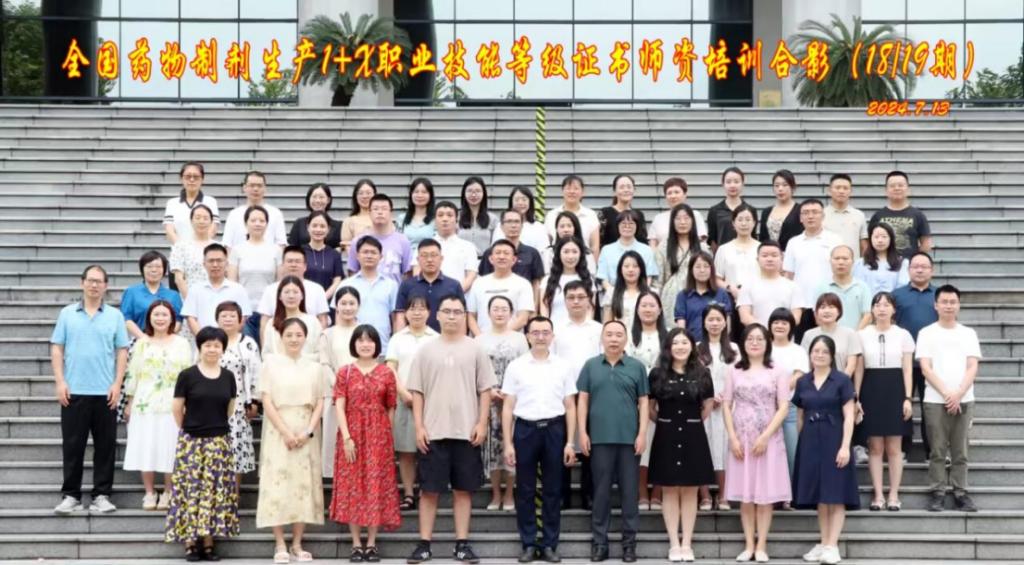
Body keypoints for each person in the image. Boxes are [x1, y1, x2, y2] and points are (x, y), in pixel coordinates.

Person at [406, 295, 497, 564]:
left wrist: (481, 423)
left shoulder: (475, 349)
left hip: (466, 432)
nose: (452, 316)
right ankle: (424, 544)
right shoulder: (425, 350)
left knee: (463, 490)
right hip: (433, 432)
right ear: (437, 315)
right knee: (429, 490)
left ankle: (462, 544)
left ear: (464, 315)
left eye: (457, 312)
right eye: (447, 311)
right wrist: (419, 427)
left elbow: (485, 390)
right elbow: (417, 392)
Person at [51, 266, 129, 516]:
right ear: (82, 283)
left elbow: (122, 351)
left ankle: (101, 495)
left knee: (105, 447)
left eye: (99, 281)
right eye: (90, 281)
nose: (94, 285)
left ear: (106, 286)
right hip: (73, 392)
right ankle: (71, 495)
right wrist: (60, 382)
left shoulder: (115, 316)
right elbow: (57, 348)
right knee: (72, 446)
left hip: (105, 393)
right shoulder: (67, 314)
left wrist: (117, 384)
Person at [501, 316, 578, 563]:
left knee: (553, 489)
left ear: (552, 336)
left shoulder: (563, 366)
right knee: (525, 489)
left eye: (546, 332)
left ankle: (549, 545)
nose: (541, 337)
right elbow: (508, 406)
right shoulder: (516, 366)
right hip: (525, 429)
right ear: (527, 336)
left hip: (555, 429)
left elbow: (570, 405)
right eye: (535, 332)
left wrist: (570, 442)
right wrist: (508, 443)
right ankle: (528, 543)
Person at [577, 320, 650, 563]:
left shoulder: (636, 367)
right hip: (599, 439)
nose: (614, 339)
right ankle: (600, 543)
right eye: (609, 334)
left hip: (629, 441)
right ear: (602, 338)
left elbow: (644, 402)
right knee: (601, 493)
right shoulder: (590, 366)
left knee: (630, 494)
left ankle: (629, 544)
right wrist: (582, 433)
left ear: (626, 339)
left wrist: (642, 433)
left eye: (619, 335)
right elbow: (583, 400)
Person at [165, 327, 239, 561]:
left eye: (217, 345)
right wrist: (189, 429)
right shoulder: (187, 375)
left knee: (214, 492)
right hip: (192, 442)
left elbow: (230, 408)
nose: (212, 349)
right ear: (199, 347)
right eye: (207, 345)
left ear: (223, 349)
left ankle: (208, 542)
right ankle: (190, 542)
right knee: (190, 491)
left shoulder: (228, 376)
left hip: (219, 441)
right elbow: (177, 408)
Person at [331, 324, 401, 562]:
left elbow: (391, 406)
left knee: (375, 486)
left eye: (369, 340)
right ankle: (355, 543)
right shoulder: (345, 372)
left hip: (378, 437)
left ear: (376, 344)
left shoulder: (386, 373)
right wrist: (346, 437)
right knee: (353, 486)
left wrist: (386, 435)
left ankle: (371, 543)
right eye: (360, 340)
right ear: (354, 344)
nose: (365, 344)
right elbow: (339, 405)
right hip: (351, 434)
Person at [257, 318, 325, 563]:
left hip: (306, 429)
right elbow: (266, 400)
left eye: (298, 335)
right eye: (289, 335)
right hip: (278, 430)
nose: (294, 339)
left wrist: (308, 431)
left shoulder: (315, 367)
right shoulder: (270, 364)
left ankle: (297, 543)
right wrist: (285, 432)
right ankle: (279, 543)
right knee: (277, 484)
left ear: (306, 337)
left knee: (302, 486)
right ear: (281, 337)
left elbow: (320, 401)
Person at [722, 324, 791, 563]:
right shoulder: (733, 370)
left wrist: (765, 436)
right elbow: (726, 404)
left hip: (768, 440)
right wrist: (732, 437)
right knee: (746, 495)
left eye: (759, 339)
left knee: (764, 494)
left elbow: (784, 406)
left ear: (767, 342)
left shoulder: (778, 370)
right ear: (743, 343)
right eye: (750, 339)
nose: (754, 343)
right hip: (741, 440)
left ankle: (762, 545)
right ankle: (749, 545)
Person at [648, 328, 716, 563]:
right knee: (668, 489)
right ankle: (674, 544)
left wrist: (690, 421)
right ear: (668, 347)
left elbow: (707, 406)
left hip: (693, 434)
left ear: (691, 346)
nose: (680, 347)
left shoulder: (703, 373)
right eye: (675, 343)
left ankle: (686, 543)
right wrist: (665, 422)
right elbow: (650, 408)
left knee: (690, 489)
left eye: (684, 342)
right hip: (666, 434)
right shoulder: (657, 374)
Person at [791, 335, 859, 565]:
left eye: (824, 352)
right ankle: (823, 542)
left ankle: (832, 545)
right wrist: (803, 443)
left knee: (836, 494)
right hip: (810, 441)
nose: (819, 355)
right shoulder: (803, 381)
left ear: (832, 356)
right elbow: (800, 416)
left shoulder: (842, 380)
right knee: (820, 495)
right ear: (810, 354)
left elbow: (849, 416)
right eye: (815, 351)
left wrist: (845, 446)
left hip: (835, 439)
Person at [918, 284, 982, 513]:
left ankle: (960, 492)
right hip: (935, 399)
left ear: (959, 305)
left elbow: (972, 366)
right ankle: (937, 492)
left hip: (964, 398)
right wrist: (947, 394)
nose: (948, 306)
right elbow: (926, 368)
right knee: (937, 449)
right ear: (935, 305)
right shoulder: (926, 333)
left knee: (960, 450)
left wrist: (959, 393)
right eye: (944, 302)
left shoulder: (968, 333)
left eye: (953, 302)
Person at [122, 301, 191, 511]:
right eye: (156, 315)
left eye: (164, 315)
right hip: (145, 403)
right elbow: (133, 373)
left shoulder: (182, 343)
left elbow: (188, 374)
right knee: (146, 446)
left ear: (172, 318)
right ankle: (150, 492)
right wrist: (129, 401)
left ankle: (169, 491)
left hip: (173, 403)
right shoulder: (141, 343)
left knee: (170, 447)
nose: (160, 318)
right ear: (149, 318)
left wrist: (187, 402)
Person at [855, 292, 914, 511]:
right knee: (875, 446)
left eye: (886, 305)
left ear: (893, 309)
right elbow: (859, 369)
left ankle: (894, 494)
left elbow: (907, 369)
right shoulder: (862, 335)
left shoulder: (903, 335)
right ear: (872, 309)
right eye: (877, 304)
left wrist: (908, 398)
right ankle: (878, 494)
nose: (881, 308)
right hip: (871, 388)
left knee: (894, 447)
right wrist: (856, 397)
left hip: (895, 389)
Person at [551, 280, 602, 510]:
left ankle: (588, 494)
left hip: (592, 394)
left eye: (581, 297)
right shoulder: (556, 329)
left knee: (590, 445)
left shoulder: (598, 329)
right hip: (563, 395)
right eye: (571, 298)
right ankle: (562, 495)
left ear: (589, 299)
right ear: (565, 301)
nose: (576, 302)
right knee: (562, 444)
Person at [385, 295, 440, 511]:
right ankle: (408, 493)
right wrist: (404, 393)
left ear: (429, 312)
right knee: (406, 450)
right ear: (405, 313)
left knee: (428, 449)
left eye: (421, 308)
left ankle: (427, 491)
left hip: (430, 402)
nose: (417, 312)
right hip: (404, 399)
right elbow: (391, 368)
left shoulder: (436, 338)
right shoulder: (398, 338)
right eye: (412, 308)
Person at [477, 296, 530, 511]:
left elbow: (526, 368)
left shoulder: (520, 339)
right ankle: (496, 493)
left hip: (514, 400)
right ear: (488, 312)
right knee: (492, 449)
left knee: (512, 447)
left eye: (504, 309)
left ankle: (509, 493)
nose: (500, 313)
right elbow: (476, 371)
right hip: (488, 401)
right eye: (495, 309)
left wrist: (511, 392)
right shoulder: (479, 340)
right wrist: (489, 390)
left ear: (511, 313)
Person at [893, 252, 939, 460]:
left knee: (932, 407)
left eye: (924, 266)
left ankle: (932, 450)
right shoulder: (897, 295)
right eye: (915, 266)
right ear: (909, 269)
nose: (919, 270)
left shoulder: (939, 295)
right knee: (902, 405)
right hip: (903, 362)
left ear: (932, 270)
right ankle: (903, 449)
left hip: (932, 362)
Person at [626, 291, 668, 511]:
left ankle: (658, 492)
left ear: (660, 310)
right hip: (635, 398)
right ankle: (642, 491)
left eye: (652, 305)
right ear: (637, 309)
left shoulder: (668, 336)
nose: (648, 309)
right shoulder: (629, 336)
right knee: (640, 446)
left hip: (664, 398)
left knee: (661, 445)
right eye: (644, 305)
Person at [696, 304, 739, 511]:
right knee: (702, 447)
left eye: (718, 319)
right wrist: (707, 398)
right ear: (704, 323)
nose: (714, 323)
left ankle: (724, 495)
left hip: (727, 406)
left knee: (723, 448)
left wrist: (725, 396)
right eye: (710, 319)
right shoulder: (696, 348)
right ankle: (704, 495)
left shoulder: (735, 349)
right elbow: (692, 377)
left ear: (725, 322)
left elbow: (739, 377)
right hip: (702, 405)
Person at [215, 301, 261, 480]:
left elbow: (256, 373)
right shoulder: (210, 341)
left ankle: (234, 493)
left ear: (240, 320)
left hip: (240, 403)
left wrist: (254, 401)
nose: (228, 319)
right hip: (212, 402)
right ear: (217, 319)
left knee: (236, 450)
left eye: (232, 316)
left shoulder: (248, 343)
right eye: (224, 316)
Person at [319, 286, 361, 478]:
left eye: (352, 303)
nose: (347, 307)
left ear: (358, 306)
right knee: (336, 441)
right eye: (343, 303)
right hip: (335, 393)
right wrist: (340, 386)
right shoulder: (328, 334)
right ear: (336, 306)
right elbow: (324, 363)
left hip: (361, 396)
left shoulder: (364, 332)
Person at [228, 205, 283, 341]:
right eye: (253, 220)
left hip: (269, 312)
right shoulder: (237, 250)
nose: (257, 224)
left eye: (261, 220)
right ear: (246, 224)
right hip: (244, 313)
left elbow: (280, 283)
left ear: (267, 224)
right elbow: (232, 284)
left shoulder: (276, 250)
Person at [768, 308, 810, 482]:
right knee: (768, 453)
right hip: (766, 407)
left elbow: (799, 375)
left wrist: (780, 393)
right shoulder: (763, 348)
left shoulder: (798, 350)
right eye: (776, 322)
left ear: (791, 326)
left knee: (792, 452)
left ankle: (792, 491)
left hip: (790, 406)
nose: (780, 326)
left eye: (784, 323)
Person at [783, 198, 843, 312]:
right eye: (806, 213)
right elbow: (789, 275)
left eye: (815, 212)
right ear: (800, 218)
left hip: (828, 303)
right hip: (800, 304)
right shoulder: (793, 242)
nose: (810, 216)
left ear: (823, 216)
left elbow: (843, 272)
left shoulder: (835, 240)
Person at [340, 237, 399, 353]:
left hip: (383, 348)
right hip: (352, 349)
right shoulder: (346, 284)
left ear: (381, 257)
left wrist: (395, 347)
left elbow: (395, 319)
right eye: (365, 252)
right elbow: (339, 317)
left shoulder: (391, 285)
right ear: (357, 256)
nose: (369, 256)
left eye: (373, 252)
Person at [395, 238, 466, 332]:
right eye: (424, 256)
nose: (429, 260)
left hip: (445, 338)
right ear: (418, 260)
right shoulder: (407, 285)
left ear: (441, 258)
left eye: (434, 255)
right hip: (414, 338)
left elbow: (461, 316)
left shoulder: (454, 285)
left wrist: (460, 339)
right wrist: (399, 338)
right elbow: (400, 315)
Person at [467, 239, 535, 336]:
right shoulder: (478, 283)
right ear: (491, 259)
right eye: (498, 253)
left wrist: (500, 336)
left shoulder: (523, 284)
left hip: (511, 339)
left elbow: (523, 319)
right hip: (482, 339)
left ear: (514, 259)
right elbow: (471, 316)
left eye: (506, 253)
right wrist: (481, 338)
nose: (502, 257)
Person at [181, 243, 252, 335]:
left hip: (230, 341)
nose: (215, 265)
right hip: (203, 341)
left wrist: (227, 339)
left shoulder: (238, 289)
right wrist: (203, 339)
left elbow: (242, 318)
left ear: (226, 263)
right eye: (211, 261)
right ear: (204, 264)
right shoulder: (195, 289)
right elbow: (191, 318)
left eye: (219, 260)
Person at [256, 246, 330, 333]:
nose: (293, 265)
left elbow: (323, 320)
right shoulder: (270, 289)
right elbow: (264, 321)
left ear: (305, 266)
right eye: (289, 261)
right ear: (282, 265)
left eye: (297, 261)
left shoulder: (317, 289)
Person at [478, 209, 546, 298]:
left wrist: (534, 306)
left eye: (517, 222)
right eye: (509, 221)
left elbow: (536, 282)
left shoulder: (532, 253)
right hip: (496, 302)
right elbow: (484, 280)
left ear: (522, 226)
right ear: (501, 226)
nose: (513, 225)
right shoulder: (490, 253)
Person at [655, 203, 707, 320]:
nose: (682, 222)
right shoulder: (664, 247)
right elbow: (658, 280)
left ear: (692, 221)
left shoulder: (702, 248)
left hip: (697, 295)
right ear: (672, 222)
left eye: (686, 218)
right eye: (678, 219)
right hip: (671, 297)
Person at [346, 194, 413, 285]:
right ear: (369, 213)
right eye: (376, 209)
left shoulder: (402, 241)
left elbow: (408, 273)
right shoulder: (358, 241)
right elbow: (352, 271)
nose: (380, 212)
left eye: (384, 209)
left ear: (391, 213)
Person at [868, 170, 933, 259]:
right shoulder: (877, 216)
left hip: (909, 265)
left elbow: (926, 244)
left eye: (900, 185)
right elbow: (870, 243)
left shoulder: (918, 215)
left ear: (908, 190)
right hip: (884, 264)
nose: (897, 188)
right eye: (892, 186)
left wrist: (915, 261)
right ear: (886, 191)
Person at [120, 250, 183, 340]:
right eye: (149, 266)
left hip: (167, 342)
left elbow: (178, 320)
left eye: (158, 267)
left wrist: (165, 338)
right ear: (142, 269)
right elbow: (126, 318)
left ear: (164, 270)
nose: (154, 270)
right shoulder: (131, 292)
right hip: (140, 340)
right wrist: (144, 338)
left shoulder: (173, 295)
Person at [737, 242, 802, 327]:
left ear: (782, 259)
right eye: (765, 256)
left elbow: (796, 317)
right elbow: (745, 317)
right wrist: (763, 331)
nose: (769, 259)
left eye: (774, 255)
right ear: (757, 259)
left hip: (783, 334)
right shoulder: (748, 286)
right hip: (758, 334)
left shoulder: (793, 287)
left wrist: (778, 329)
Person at [674, 252, 733, 342]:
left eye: (706, 266)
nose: (702, 270)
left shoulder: (721, 294)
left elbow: (727, 326)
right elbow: (681, 326)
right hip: (693, 344)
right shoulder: (683, 295)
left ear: (711, 269)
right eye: (698, 267)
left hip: (717, 343)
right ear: (691, 270)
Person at [801, 293, 863, 378]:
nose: (827, 311)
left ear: (839, 311)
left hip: (841, 382)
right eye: (822, 307)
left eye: (831, 307)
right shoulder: (808, 334)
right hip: (814, 382)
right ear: (816, 312)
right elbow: (805, 363)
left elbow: (851, 365)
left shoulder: (850, 333)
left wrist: (839, 383)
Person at [261, 276, 323, 360]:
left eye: (295, 292)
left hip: (307, 366)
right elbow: (266, 353)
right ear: (280, 296)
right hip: (279, 367)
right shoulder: (272, 323)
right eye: (286, 292)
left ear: (302, 296)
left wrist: (299, 360)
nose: (291, 296)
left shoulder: (312, 321)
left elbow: (320, 352)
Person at [222, 170, 287, 248]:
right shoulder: (234, 214)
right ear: (244, 188)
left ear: (265, 188)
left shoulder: (276, 214)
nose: (256, 189)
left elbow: (281, 244)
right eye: (252, 185)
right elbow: (227, 245)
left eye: (259, 186)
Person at [814, 245, 872, 331]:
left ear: (853, 262)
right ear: (830, 261)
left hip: (857, 335)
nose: (841, 262)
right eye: (837, 258)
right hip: (829, 336)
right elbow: (817, 316)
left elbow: (868, 315)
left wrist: (854, 335)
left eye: (845, 259)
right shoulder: (822, 287)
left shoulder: (862, 287)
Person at [539, 237, 595, 326]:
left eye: (574, 252)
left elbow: (590, 310)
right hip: (555, 330)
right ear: (559, 254)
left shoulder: (587, 279)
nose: (570, 256)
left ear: (581, 254)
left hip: (581, 330)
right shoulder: (547, 280)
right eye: (566, 252)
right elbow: (544, 310)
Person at [596, 209, 658, 289]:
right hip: (613, 292)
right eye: (623, 223)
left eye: (631, 223)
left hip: (640, 292)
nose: (627, 226)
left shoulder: (646, 250)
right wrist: (612, 292)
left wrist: (641, 292)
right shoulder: (606, 250)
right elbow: (602, 277)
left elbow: (649, 276)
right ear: (617, 226)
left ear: (637, 226)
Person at [544, 174, 602, 258]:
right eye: (568, 188)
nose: (572, 191)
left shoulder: (590, 215)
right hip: (555, 262)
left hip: (584, 262)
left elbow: (595, 247)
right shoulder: (552, 215)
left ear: (582, 192)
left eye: (576, 188)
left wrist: (593, 264)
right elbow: (546, 244)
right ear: (562, 191)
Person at [163, 161, 220, 245]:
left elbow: (213, 228)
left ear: (202, 179)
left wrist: (201, 245)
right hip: (180, 250)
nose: (192, 180)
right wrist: (182, 248)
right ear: (181, 179)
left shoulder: (210, 201)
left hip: (204, 249)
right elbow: (169, 230)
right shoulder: (172, 203)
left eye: (196, 177)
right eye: (188, 176)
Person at [714, 203, 760, 305]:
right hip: (730, 299)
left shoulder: (761, 249)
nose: (744, 224)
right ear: (733, 223)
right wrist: (730, 288)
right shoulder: (724, 249)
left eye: (748, 220)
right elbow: (716, 278)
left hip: (757, 299)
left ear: (754, 223)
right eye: (740, 220)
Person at [170, 204, 216, 301]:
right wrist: (191, 302)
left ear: (211, 222)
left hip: (216, 300)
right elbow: (179, 279)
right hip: (189, 299)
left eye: (205, 218)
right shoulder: (180, 246)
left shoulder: (218, 247)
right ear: (191, 221)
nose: (201, 221)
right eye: (197, 218)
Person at [432, 200, 479, 291]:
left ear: (457, 219)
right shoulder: (425, 245)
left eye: (449, 215)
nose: (445, 219)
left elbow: (471, 275)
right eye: (440, 215)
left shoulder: (468, 247)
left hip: (459, 296)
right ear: (434, 219)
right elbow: (417, 272)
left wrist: (456, 293)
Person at [649, 177, 708, 248]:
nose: (673, 196)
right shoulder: (658, 218)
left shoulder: (695, 215)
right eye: (669, 193)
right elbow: (653, 244)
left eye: (677, 192)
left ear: (685, 194)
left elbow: (701, 240)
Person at [706, 166, 753, 252]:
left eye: (736, 181)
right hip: (723, 256)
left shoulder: (750, 210)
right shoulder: (714, 211)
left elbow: (753, 237)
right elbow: (713, 241)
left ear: (743, 184)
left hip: (746, 254)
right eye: (728, 182)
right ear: (723, 184)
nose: (732, 185)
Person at [855, 223, 910, 294]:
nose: (880, 240)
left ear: (891, 239)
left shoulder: (902, 263)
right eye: (876, 237)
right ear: (870, 239)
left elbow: (902, 287)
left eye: (884, 237)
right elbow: (858, 288)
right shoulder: (860, 263)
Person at [301, 211, 345, 302]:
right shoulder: (300, 252)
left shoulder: (334, 254)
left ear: (328, 229)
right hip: (303, 301)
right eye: (314, 226)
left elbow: (337, 280)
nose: (318, 230)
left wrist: (322, 299)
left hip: (326, 302)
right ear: (308, 227)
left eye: (322, 226)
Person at [823, 173, 869, 260]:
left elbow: (864, 246)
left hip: (853, 266)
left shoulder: (859, 215)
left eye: (845, 188)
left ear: (851, 191)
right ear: (829, 190)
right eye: (837, 188)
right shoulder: (821, 215)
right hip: (827, 265)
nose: (841, 191)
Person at [492, 186, 550, 252]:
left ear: (530, 202)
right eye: (516, 200)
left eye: (524, 200)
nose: (520, 203)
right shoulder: (501, 225)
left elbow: (544, 253)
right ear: (511, 202)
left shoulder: (539, 228)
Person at [598, 174, 649, 248]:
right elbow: (598, 242)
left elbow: (644, 242)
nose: (626, 190)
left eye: (629, 187)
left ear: (634, 190)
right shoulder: (605, 213)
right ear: (614, 191)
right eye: (622, 187)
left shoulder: (639, 215)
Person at [602, 250, 651, 325]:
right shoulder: (611, 293)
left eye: (635, 266)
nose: (630, 270)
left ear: (641, 269)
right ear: (620, 269)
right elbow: (607, 324)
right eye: (626, 266)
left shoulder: (650, 293)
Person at [288, 182, 342, 249]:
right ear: (309, 199)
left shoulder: (338, 226)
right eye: (314, 197)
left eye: (321, 197)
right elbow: (292, 248)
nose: (317, 200)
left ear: (328, 200)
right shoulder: (299, 223)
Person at [759, 169, 803, 250]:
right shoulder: (766, 212)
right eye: (777, 185)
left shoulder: (800, 210)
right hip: (769, 255)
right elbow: (762, 239)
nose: (780, 189)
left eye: (785, 185)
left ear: (793, 187)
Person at [458, 176, 499, 258]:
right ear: (464, 194)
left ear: (484, 193)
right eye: (470, 191)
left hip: (484, 261)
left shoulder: (493, 219)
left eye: (478, 191)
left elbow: (497, 245)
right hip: (461, 261)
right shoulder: (456, 218)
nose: (473, 195)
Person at [340, 179, 377, 261]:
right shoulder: (349, 221)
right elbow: (347, 247)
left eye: (368, 193)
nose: (364, 196)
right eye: (361, 193)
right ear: (355, 197)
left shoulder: (380, 218)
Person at [400, 177, 437, 248]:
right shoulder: (402, 218)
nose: (420, 195)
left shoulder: (436, 219)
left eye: (424, 192)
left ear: (430, 195)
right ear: (411, 194)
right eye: (416, 192)